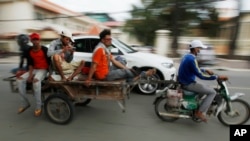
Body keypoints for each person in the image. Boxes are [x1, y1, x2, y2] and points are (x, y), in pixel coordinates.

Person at [177, 40, 227, 122]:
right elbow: (201, 76)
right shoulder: (192, 59)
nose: (199, 50)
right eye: (199, 48)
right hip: (188, 83)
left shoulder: (187, 56)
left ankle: (196, 105)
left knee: (205, 87)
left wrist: (205, 70)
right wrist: (217, 77)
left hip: (185, 80)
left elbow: (194, 69)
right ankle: (199, 112)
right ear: (194, 48)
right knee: (212, 92)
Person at [86, 29, 155, 85]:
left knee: (122, 61)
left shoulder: (105, 48)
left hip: (107, 69)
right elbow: (93, 65)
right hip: (104, 75)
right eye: (108, 39)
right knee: (126, 72)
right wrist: (89, 79)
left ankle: (133, 73)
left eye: (110, 39)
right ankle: (142, 74)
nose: (110, 41)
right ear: (103, 40)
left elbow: (114, 60)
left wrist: (127, 68)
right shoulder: (99, 49)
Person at [16, 33, 50, 117]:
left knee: (36, 82)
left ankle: (39, 106)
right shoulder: (29, 51)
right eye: (33, 40)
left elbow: (50, 63)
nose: (35, 42)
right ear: (31, 41)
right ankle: (25, 103)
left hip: (43, 70)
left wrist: (50, 74)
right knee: (19, 80)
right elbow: (30, 64)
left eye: (36, 40)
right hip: (34, 69)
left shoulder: (45, 49)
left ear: (39, 40)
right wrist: (30, 75)